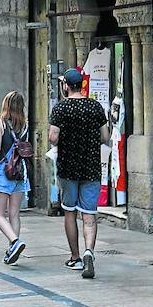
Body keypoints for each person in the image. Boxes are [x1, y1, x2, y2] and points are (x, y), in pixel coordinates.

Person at [49, 68, 109, 280]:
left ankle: (74, 256)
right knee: (89, 215)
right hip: (91, 167)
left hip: (68, 168)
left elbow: (53, 138)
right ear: (82, 85)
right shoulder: (95, 106)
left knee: (70, 212)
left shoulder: (60, 108)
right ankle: (88, 252)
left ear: (66, 86)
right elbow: (105, 136)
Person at [0, 90, 30, 265]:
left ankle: (14, 242)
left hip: (4, 171)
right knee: (14, 214)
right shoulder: (24, 125)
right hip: (20, 172)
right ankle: (13, 248)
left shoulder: (0, 123)